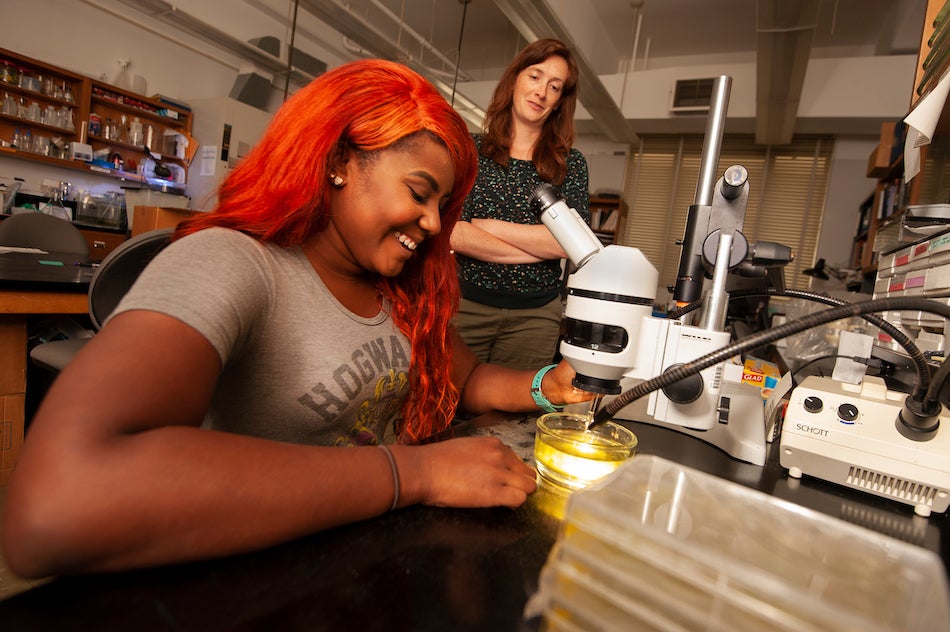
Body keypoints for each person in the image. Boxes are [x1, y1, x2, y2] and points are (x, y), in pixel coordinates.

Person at [2, 59, 591, 579]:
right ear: (338, 162)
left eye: (443, 205)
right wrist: (415, 475)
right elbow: (58, 503)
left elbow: (465, 378)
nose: (435, 223)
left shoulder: (397, 289)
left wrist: (549, 386)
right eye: (419, 192)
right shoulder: (233, 265)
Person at [451, 38, 590, 371]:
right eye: (535, 76)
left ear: (559, 102)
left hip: (535, 317)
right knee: (445, 408)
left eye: (554, 86)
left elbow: (575, 245)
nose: (542, 91)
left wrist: (488, 226)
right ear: (515, 79)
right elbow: (455, 233)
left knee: (514, 418)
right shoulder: (471, 150)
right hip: (466, 308)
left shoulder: (570, 164)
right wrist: (546, 243)